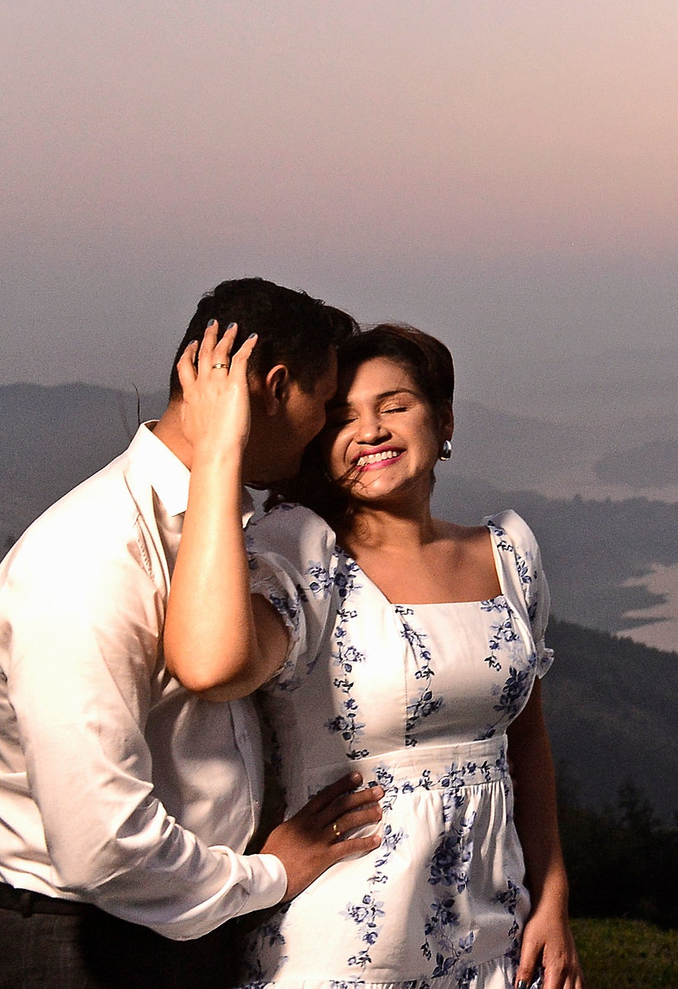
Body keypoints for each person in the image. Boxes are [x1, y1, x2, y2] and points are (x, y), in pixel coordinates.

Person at [0, 279, 385, 989]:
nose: (328, 424)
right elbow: (102, 846)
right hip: (76, 949)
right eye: (326, 400)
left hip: (177, 931)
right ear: (275, 386)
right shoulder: (92, 552)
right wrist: (270, 875)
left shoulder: (222, 530)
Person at [163, 321, 581, 989]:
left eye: (395, 404)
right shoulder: (303, 553)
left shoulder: (508, 556)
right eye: (343, 416)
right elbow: (217, 665)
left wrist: (553, 899)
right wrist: (219, 454)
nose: (372, 430)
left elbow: (525, 743)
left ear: (442, 419)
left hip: (497, 926)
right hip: (349, 936)